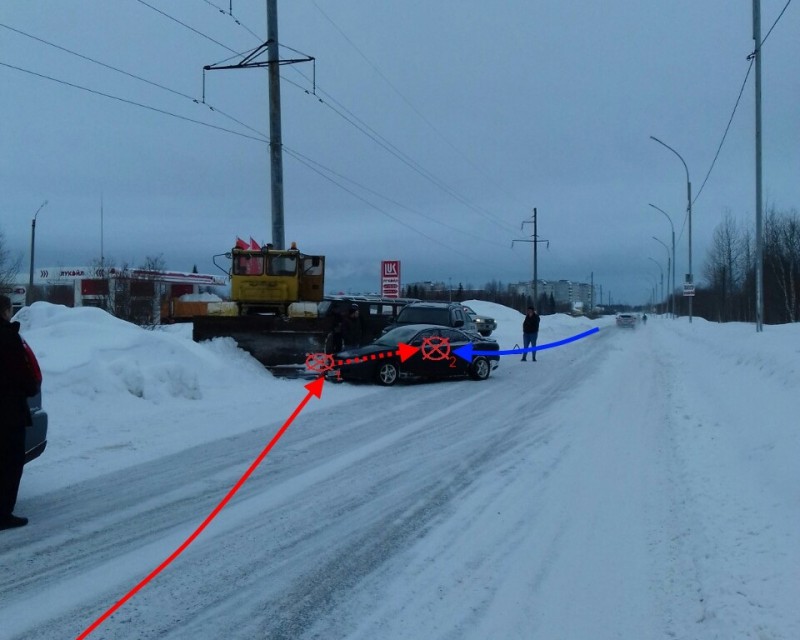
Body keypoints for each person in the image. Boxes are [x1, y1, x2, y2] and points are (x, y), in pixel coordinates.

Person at [1, 295, 40, 530]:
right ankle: (3, 513)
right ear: (5, 310)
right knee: (10, 462)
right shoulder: (8, 337)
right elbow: (22, 373)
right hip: (7, 410)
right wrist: (30, 388)